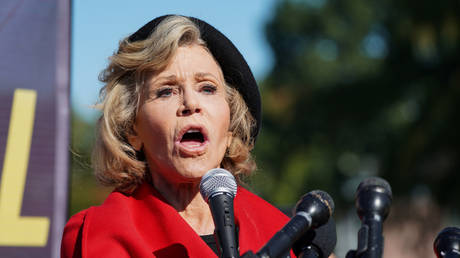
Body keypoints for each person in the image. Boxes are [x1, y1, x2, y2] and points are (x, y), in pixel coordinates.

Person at [61, 15, 292, 257]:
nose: (191, 103)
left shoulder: (285, 233)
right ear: (131, 129)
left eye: (207, 88)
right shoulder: (96, 235)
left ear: (231, 126)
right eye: (166, 91)